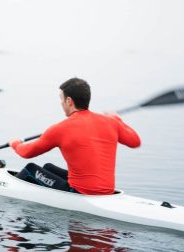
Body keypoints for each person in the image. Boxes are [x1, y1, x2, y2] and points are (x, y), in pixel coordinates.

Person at [9, 78, 141, 195]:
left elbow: (26, 152)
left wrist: (15, 144)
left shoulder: (60, 128)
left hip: (80, 192)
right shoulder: (111, 122)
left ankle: (11, 192)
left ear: (69, 101)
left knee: (30, 169)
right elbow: (135, 141)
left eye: (61, 99)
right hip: (108, 190)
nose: (61, 103)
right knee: (48, 168)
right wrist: (117, 118)